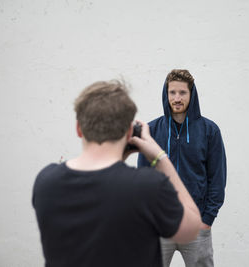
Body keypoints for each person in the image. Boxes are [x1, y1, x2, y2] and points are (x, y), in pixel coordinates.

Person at [32, 80, 202, 267]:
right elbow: (191, 229)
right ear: (130, 132)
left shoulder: (46, 181)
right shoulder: (147, 187)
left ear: (79, 128)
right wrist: (159, 156)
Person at [138, 69, 227, 267]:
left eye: (182, 93)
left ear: (191, 94)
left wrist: (207, 220)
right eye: (172, 93)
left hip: (196, 226)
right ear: (166, 94)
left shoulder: (209, 131)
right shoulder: (151, 131)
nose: (177, 98)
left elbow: (217, 178)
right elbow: (143, 179)